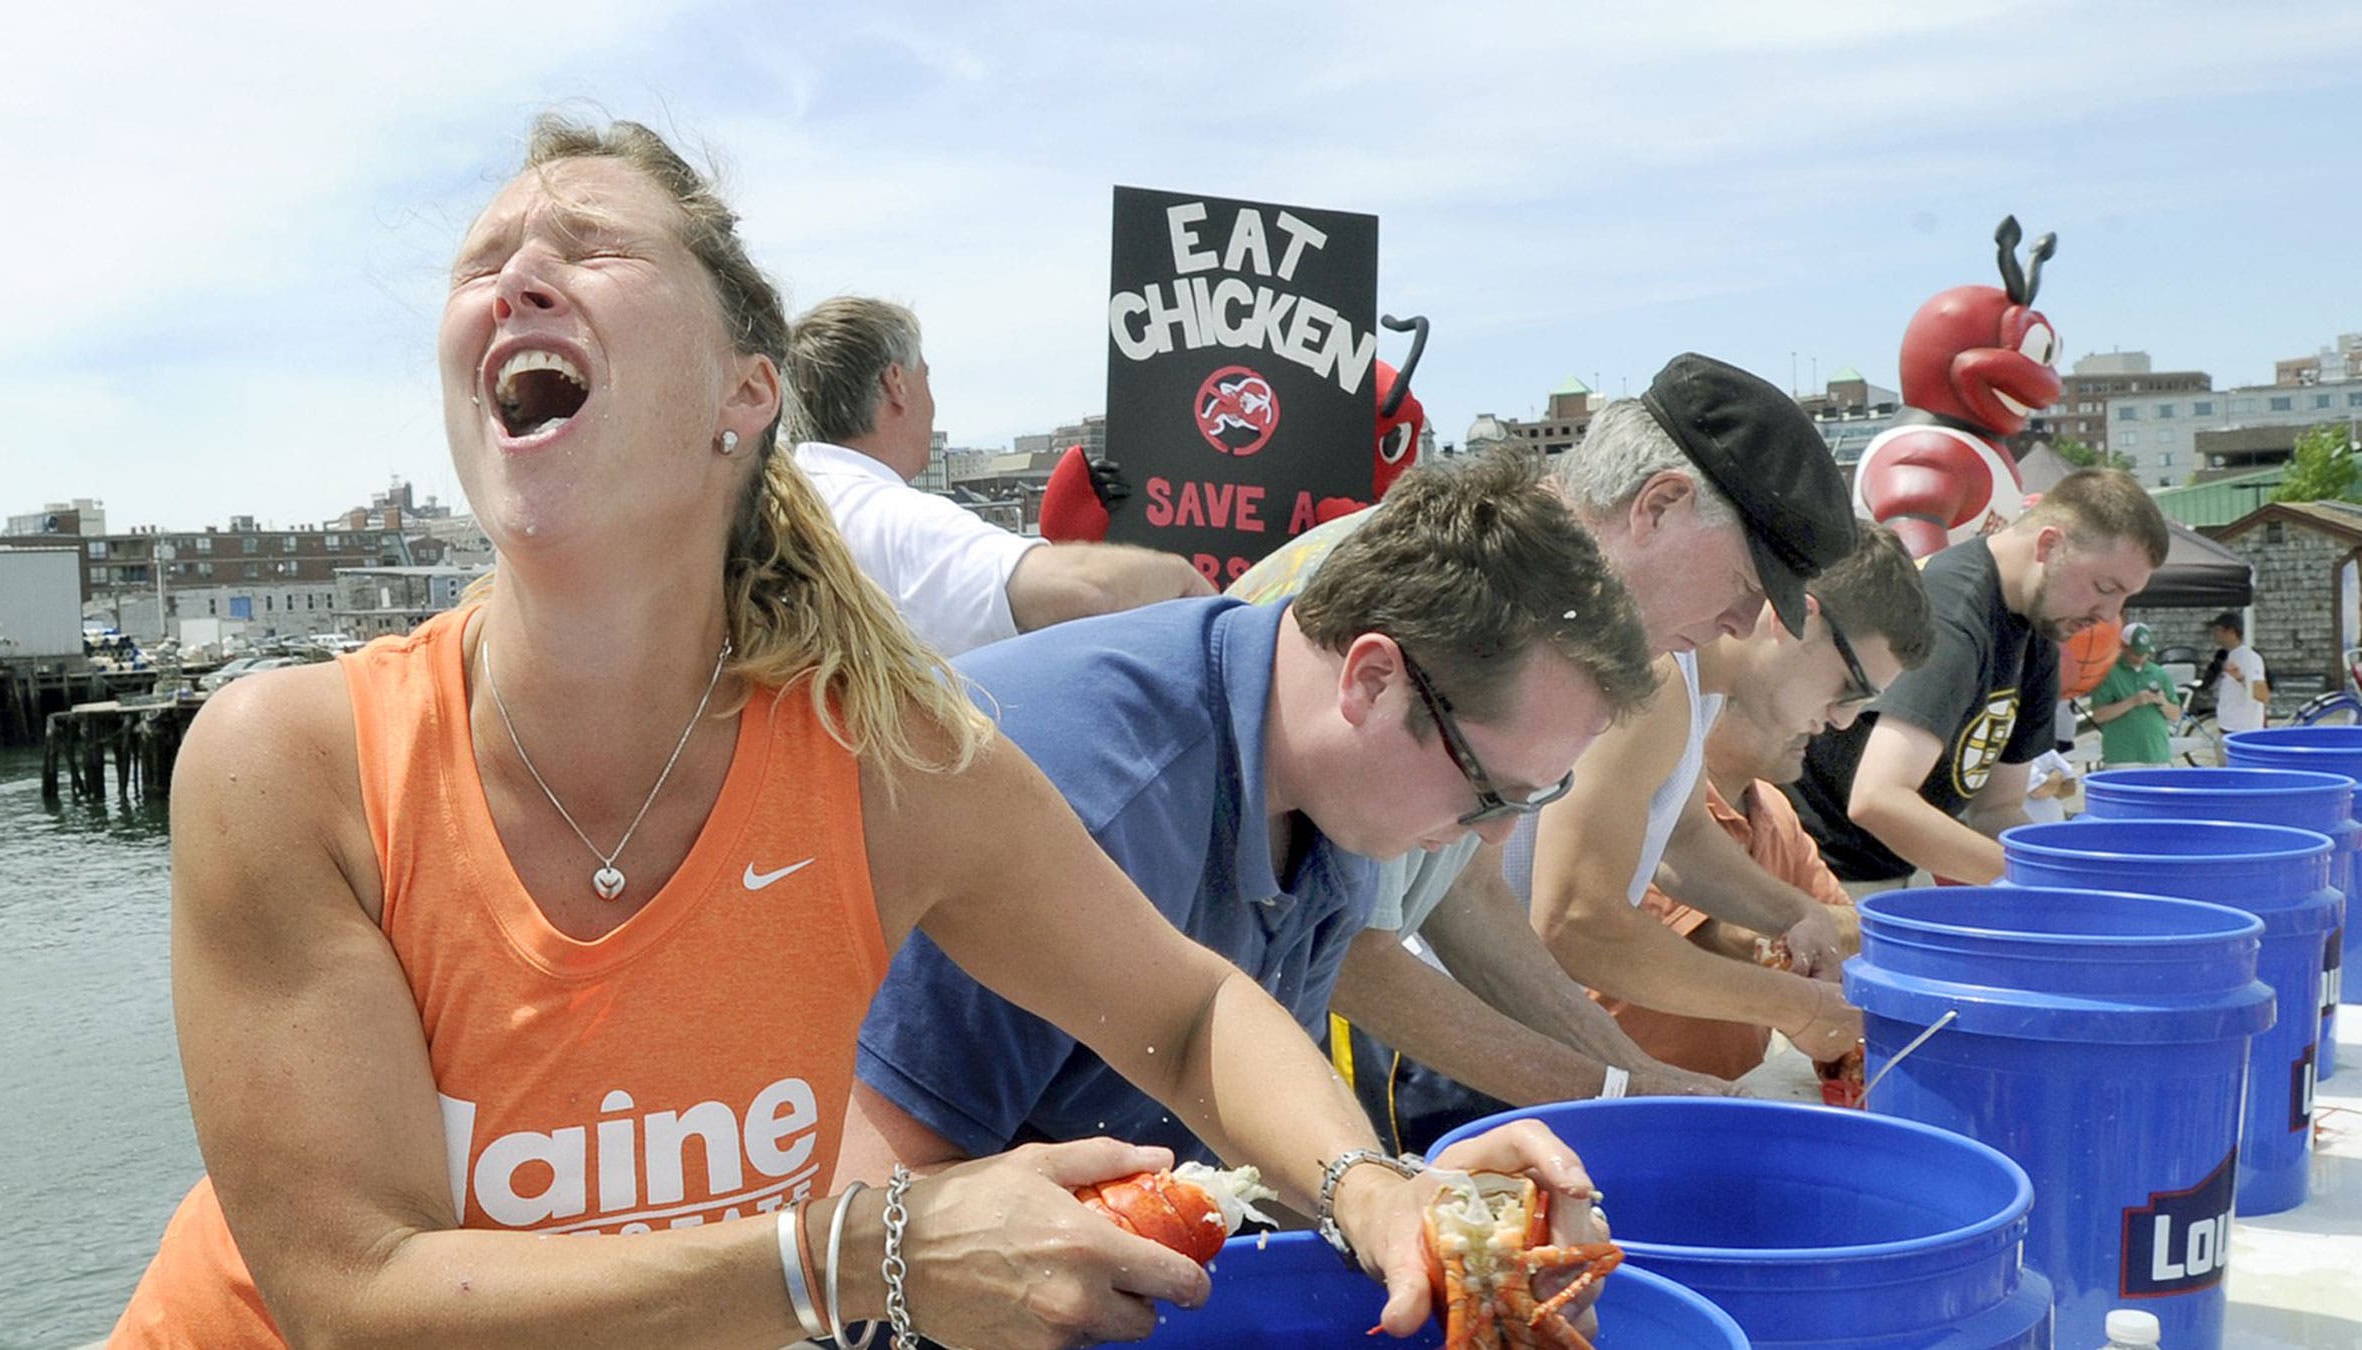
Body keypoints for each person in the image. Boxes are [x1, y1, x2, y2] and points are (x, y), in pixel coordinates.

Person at [110, 117, 1596, 1350]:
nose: (522, 279)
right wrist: (862, 1254)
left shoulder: (879, 758)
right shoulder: (288, 761)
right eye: (484, 263)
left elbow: (1193, 1012)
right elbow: (351, 1296)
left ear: (745, 395)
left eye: (592, 247)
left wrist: (1369, 1187)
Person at [841, 450, 1658, 1176]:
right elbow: (872, 1200)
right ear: (1372, 681)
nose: (1498, 833)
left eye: (1532, 798)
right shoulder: (1093, 800)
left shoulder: (1329, 788)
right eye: (1489, 789)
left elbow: (1251, 1142)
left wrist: (1412, 1203)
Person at [1231, 353, 1867, 1138]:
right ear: (1659, 506)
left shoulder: (1538, 606)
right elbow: (1353, 953)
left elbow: (1465, 894)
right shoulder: (1446, 586)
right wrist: (1620, 1089)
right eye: (1744, 585)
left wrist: (1635, 1080)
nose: (1743, 625)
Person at [1591, 521, 1935, 1084]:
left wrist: (1799, 913)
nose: (1844, 720)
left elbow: (1681, 841)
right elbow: (1577, 921)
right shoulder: (1663, 676)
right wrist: (1798, 1008)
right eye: (1850, 687)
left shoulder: (1699, 689)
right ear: (1798, 619)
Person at [1792, 468, 2169, 891]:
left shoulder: (2039, 626)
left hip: (1893, 864)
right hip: (1819, 865)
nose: (2109, 614)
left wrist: (2068, 866)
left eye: (2125, 597)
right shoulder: (1952, 614)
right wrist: (2049, 879)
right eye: (2104, 587)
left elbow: (1998, 808)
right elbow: (1878, 799)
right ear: (2049, 545)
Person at [786, 296, 1211, 656]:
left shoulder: (778, 498)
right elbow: (1085, 590)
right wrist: (1180, 576)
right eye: (925, 377)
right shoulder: (894, 521)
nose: (932, 405)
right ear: (896, 384)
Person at [2087, 621, 2179, 767]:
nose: (2141, 658)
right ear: (2123, 646)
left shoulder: (2159, 673)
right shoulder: (2108, 674)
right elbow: (2099, 715)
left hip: (2157, 754)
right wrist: (2133, 701)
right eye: (2136, 653)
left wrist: (2163, 702)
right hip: (2122, 757)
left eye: (2145, 653)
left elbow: (2176, 715)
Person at [2209, 610, 2270, 734]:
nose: (2214, 634)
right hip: (2228, 728)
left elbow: (2263, 695)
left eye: (2218, 629)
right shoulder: (2230, 655)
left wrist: (2240, 678)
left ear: (2231, 632)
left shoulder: (2250, 658)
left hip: (2243, 731)